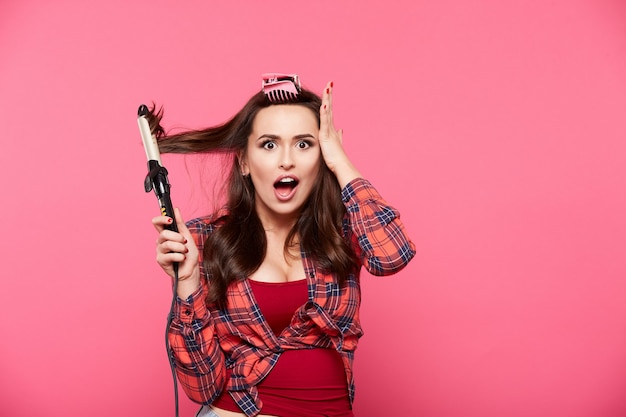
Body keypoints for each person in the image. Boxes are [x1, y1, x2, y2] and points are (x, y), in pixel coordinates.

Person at [151, 74, 416, 417]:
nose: (286, 160)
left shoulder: (344, 231)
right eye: (269, 144)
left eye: (304, 144)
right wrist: (186, 282)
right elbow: (201, 385)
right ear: (244, 162)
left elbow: (393, 255)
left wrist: (339, 161)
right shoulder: (204, 239)